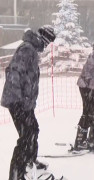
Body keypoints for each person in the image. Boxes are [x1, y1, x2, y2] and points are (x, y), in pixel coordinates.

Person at [1, 26, 56, 180]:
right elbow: (14, 72)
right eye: (47, 43)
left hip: (24, 102)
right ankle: (16, 174)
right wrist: (20, 99)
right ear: (44, 40)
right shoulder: (27, 49)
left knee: (33, 130)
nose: (46, 47)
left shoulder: (31, 49)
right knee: (26, 137)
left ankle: (29, 162)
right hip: (17, 101)